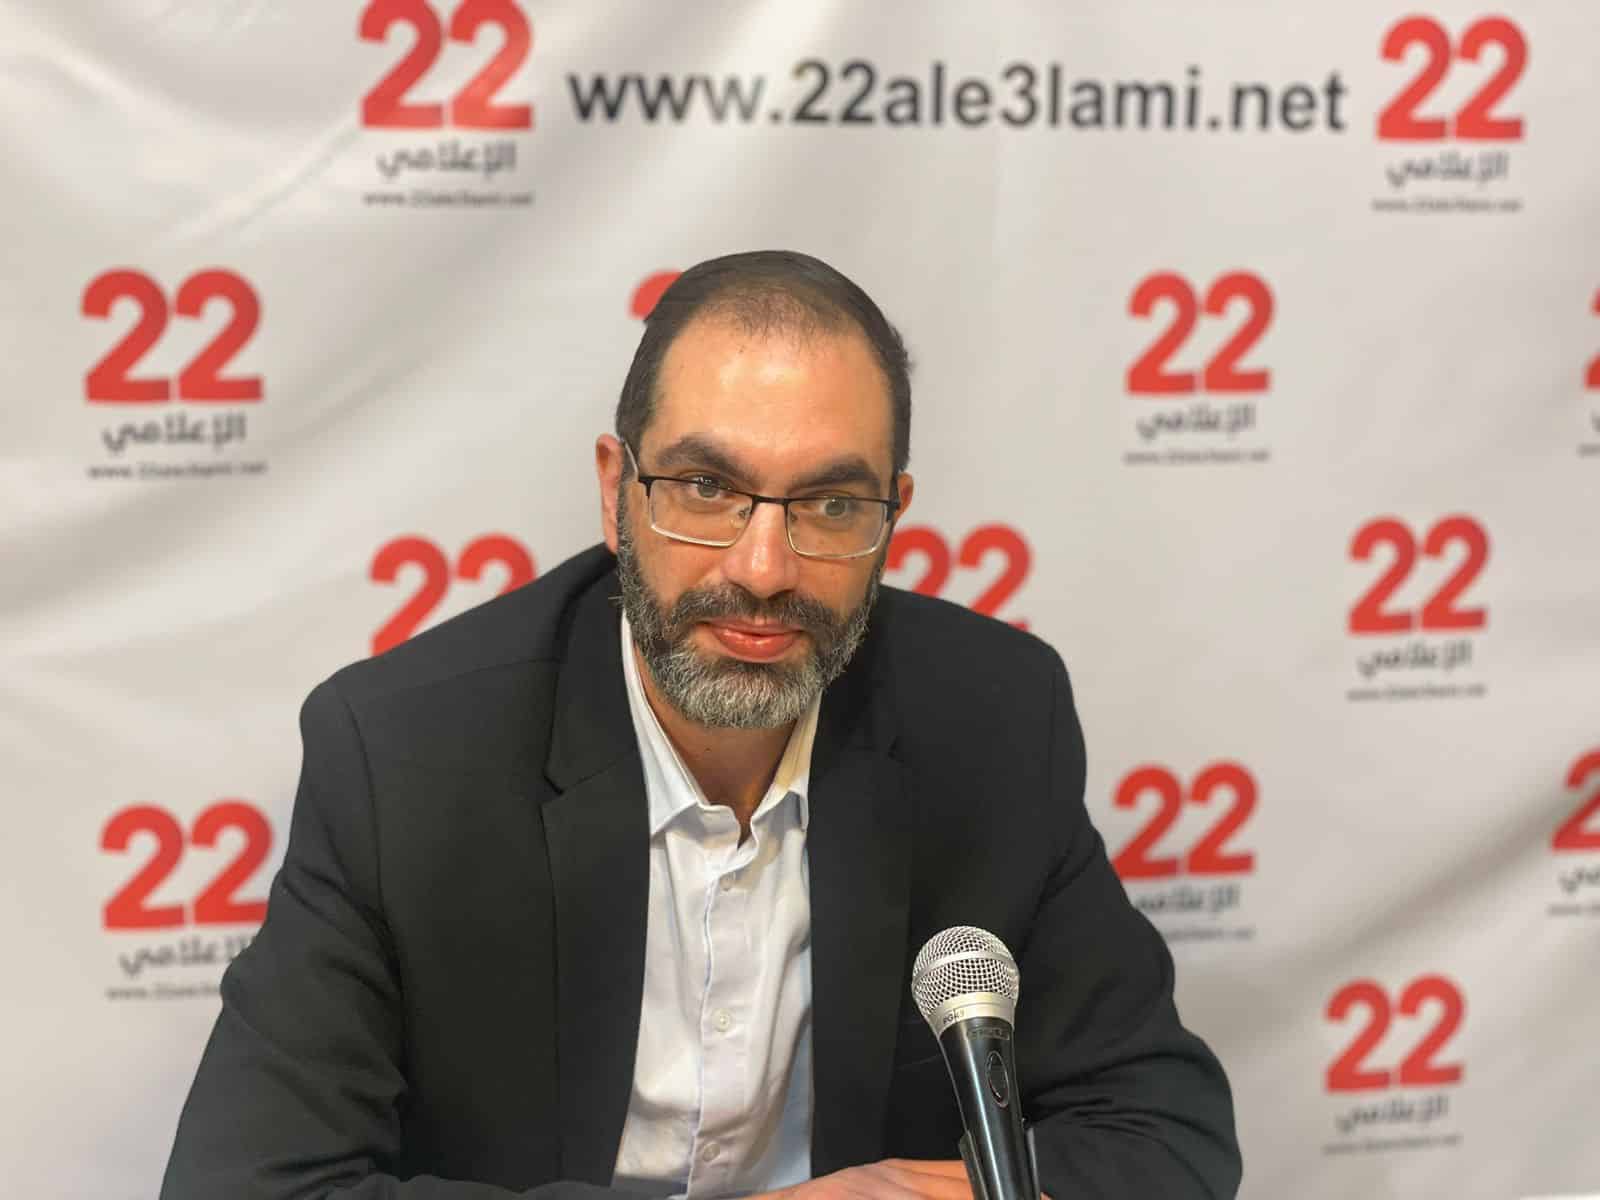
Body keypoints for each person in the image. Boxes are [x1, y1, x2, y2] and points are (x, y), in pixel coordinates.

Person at [161, 250, 1242, 1199]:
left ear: (891, 517)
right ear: (615, 492)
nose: (763, 570)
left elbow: (1164, 1131)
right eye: (705, 488)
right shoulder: (405, 757)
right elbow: (244, 1186)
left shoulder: (993, 720)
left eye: (831, 505)